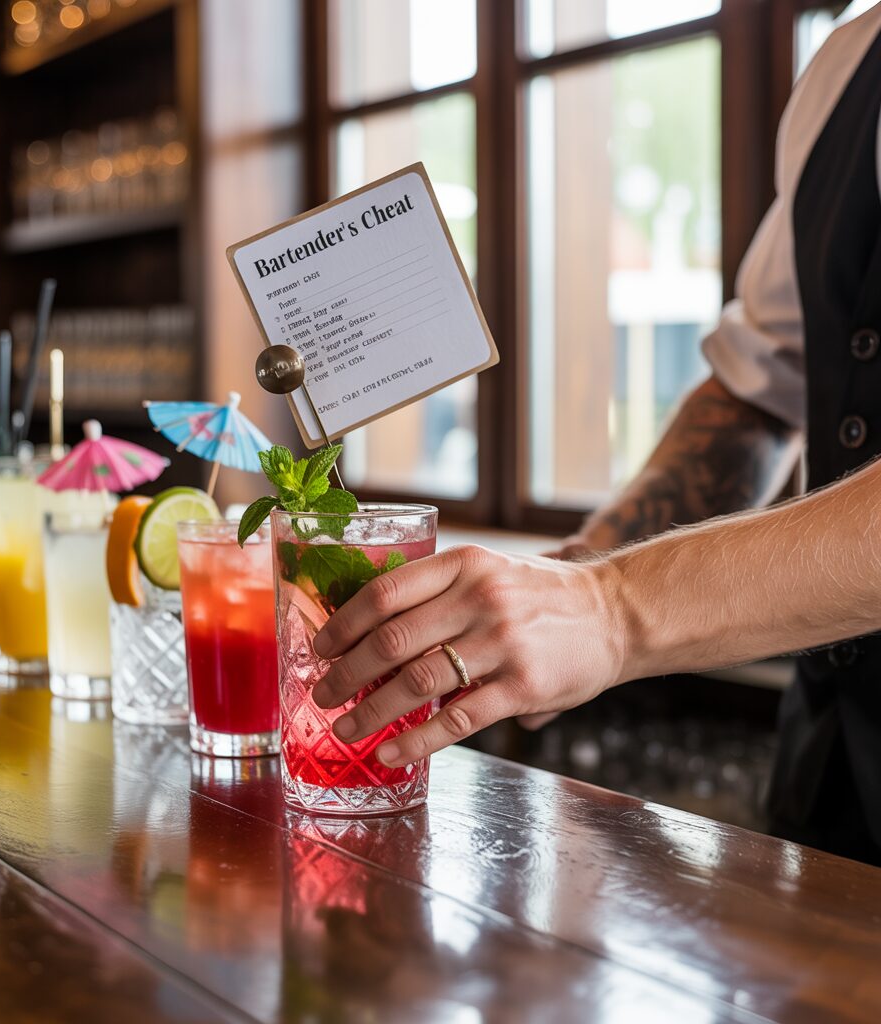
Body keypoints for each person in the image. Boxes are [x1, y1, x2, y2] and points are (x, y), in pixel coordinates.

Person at [310, 4, 881, 865]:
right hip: (832, 772)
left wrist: (611, 610)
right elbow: (759, 392)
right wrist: (565, 584)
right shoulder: (848, 65)